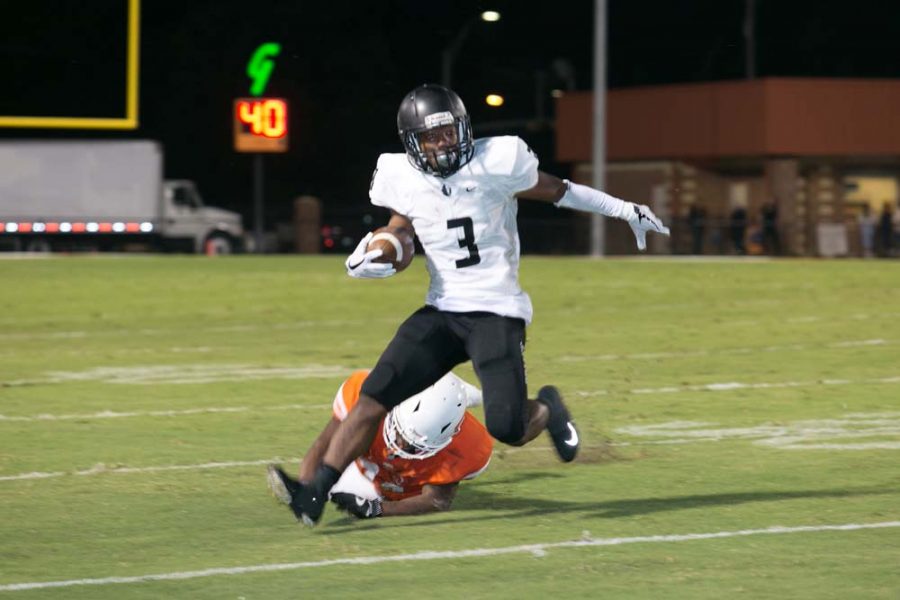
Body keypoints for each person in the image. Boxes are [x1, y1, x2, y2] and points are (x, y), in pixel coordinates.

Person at [284, 83, 670, 527]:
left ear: (464, 129)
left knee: (507, 426)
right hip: (443, 310)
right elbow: (400, 234)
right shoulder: (402, 177)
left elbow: (561, 190)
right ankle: (314, 492)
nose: (443, 143)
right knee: (373, 398)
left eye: (449, 132)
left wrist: (625, 210)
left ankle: (545, 408)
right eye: (432, 137)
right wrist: (376, 251)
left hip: (497, 310)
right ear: (413, 144)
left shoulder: (498, 162)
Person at [268, 370, 491, 519]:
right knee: (324, 476)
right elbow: (325, 443)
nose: (398, 447)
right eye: (399, 432)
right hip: (360, 465)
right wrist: (308, 486)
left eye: (412, 446)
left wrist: (377, 509)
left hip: (400, 491)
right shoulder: (369, 394)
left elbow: (438, 500)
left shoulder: (467, 446)